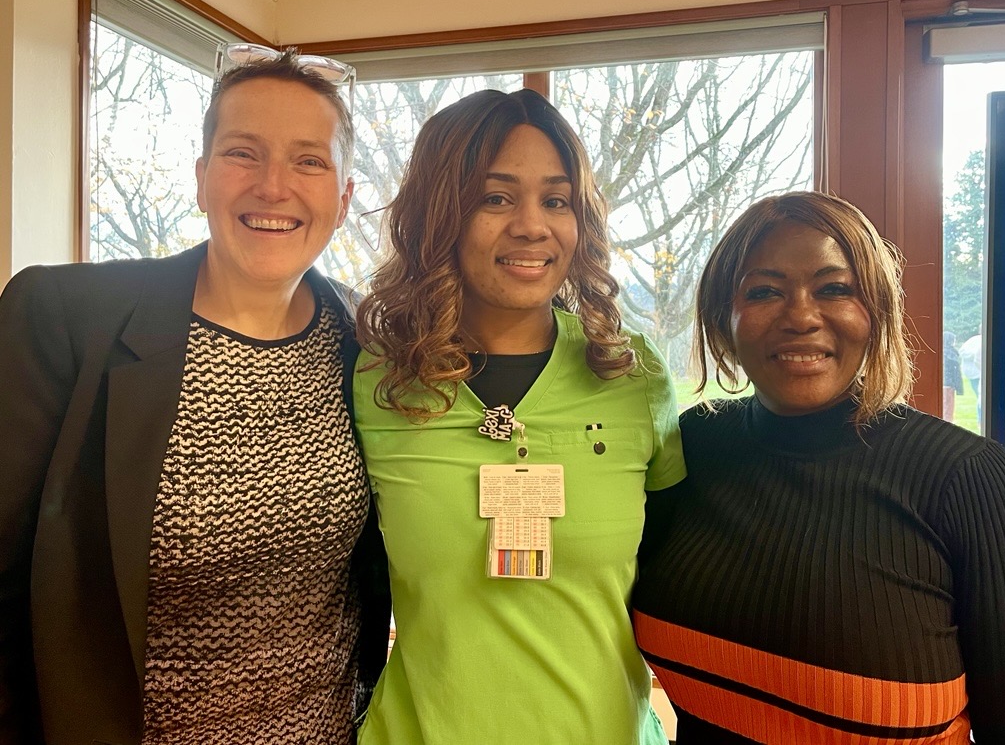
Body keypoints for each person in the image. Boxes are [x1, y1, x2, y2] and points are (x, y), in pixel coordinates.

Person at [0, 45, 389, 745]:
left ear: (344, 196)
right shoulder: (64, 318)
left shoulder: (365, 343)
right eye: (244, 153)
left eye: (309, 160)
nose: (274, 186)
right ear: (202, 175)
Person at [352, 89, 685, 745]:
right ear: (439, 214)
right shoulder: (375, 379)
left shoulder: (631, 372)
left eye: (556, 200)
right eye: (496, 198)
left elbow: (681, 576)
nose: (533, 225)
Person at [633, 191, 1005, 744]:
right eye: (765, 291)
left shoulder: (967, 477)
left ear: (878, 311)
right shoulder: (692, 445)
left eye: (834, 289)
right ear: (726, 318)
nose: (800, 316)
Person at [960, 328, 984, 430]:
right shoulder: (975, 341)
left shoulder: (981, 341)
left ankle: (981, 421)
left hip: (979, 374)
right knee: (981, 399)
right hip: (975, 374)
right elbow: (962, 352)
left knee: (981, 398)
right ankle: (980, 421)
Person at [943, 330, 964, 421]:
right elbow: (956, 373)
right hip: (948, 384)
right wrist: (959, 388)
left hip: (941, 384)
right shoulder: (952, 354)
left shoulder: (939, 352)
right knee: (948, 409)